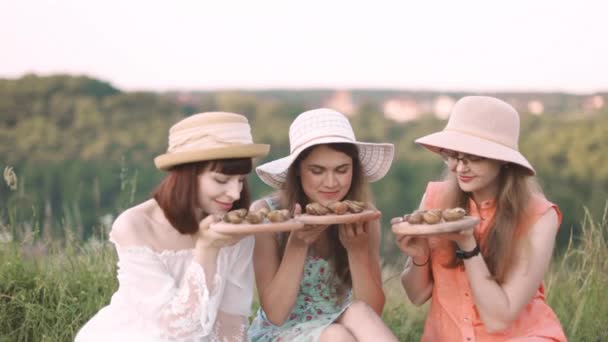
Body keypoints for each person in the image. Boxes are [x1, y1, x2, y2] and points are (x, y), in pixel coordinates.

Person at [75, 112, 270, 341]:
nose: (235, 193)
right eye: (221, 180)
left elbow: (232, 319)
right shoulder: (135, 225)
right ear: (187, 174)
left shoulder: (235, 227)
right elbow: (175, 331)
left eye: (240, 180)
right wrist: (207, 250)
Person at [394, 96, 567, 341]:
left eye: (474, 157)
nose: (459, 168)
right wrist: (419, 256)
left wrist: (468, 246)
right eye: (452, 155)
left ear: (503, 160)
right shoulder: (435, 199)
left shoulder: (539, 216)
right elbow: (417, 296)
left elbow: (499, 319)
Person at [248, 108, 398, 342]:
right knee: (336, 336)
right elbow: (276, 314)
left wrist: (357, 251)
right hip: (279, 332)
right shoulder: (267, 214)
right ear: (297, 169)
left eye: (342, 170)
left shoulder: (361, 216)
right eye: (317, 171)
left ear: (354, 168)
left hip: (339, 321)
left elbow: (372, 311)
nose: (331, 183)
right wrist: (297, 245)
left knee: (356, 312)